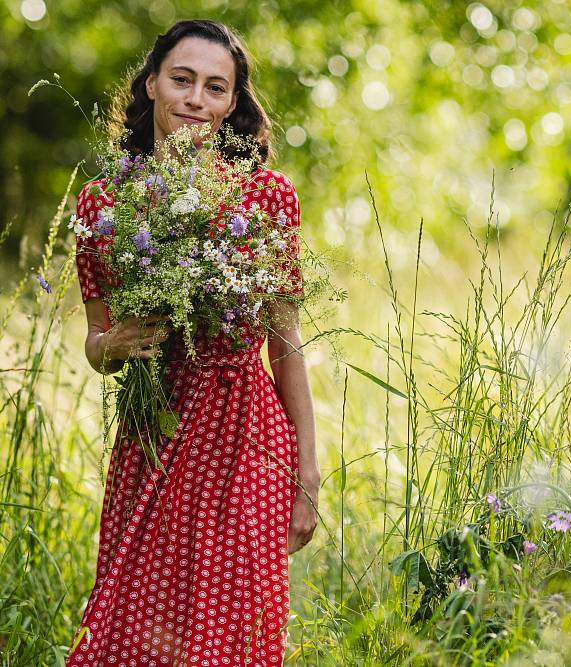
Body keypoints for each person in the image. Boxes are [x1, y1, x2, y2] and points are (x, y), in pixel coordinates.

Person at [66, 20, 319, 665]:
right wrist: (116, 342)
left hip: (245, 438)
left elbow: (285, 341)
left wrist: (308, 472)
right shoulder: (105, 205)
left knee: (227, 635)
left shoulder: (264, 199)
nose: (195, 99)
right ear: (152, 83)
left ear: (232, 104)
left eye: (215, 87)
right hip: (155, 433)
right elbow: (96, 345)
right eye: (182, 80)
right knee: (136, 631)